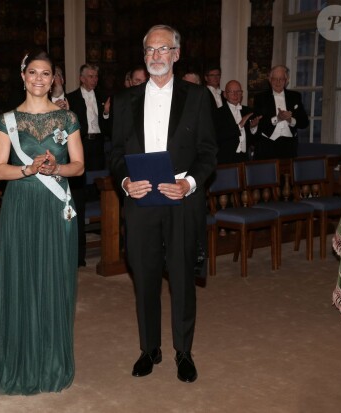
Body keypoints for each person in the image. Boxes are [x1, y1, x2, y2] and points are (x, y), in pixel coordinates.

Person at [0, 50, 84, 399]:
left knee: (53, 278)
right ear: (23, 76)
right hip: (21, 205)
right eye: (33, 72)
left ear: (54, 78)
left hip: (56, 207)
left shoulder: (67, 118)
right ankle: (17, 361)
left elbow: (79, 166)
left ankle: (50, 361)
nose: (39, 78)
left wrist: (57, 169)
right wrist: (28, 169)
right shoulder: (7, 119)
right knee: (21, 278)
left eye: (46, 73)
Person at [110, 24, 217, 383]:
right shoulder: (124, 100)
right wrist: (125, 181)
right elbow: (114, 154)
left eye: (163, 49)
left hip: (181, 201)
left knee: (183, 277)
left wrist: (187, 184)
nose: (156, 56)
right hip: (139, 201)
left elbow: (208, 154)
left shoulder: (199, 97)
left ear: (176, 54)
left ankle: (183, 351)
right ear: (144, 56)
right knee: (145, 277)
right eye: (150, 50)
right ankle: (149, 348)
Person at [66, 63, 110, 266]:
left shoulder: (103, 97)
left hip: (98, 145)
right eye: (91, 76)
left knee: (100, 190)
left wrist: (107, 113)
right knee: (80, 196)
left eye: (96, 76)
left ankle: (106, 243)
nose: (94, 79)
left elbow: (110, 127)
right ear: (82, 78)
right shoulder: (72, 98)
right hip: (80, 145)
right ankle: (79, 254)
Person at [253, 65, 309, 159]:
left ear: (286, 80)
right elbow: (259, 124)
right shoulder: (260, 98)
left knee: (288, 173)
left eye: (281, 79)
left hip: (289, 147)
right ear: (270, 80)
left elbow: (304, 122)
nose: (278, 82)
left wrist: (290, 120)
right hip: (267, 146)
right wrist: (278, 118)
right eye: (275, 79)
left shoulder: (295, 96)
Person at [213, 80, 261, 164]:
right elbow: (219, 136)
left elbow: (255, 139)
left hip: (245, 157)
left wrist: (253, 128)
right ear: (225, 95)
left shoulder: (248, 111)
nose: (235, 94)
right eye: (231, 92)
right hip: (226, 158)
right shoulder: (217, 113)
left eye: (238, 91)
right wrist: (239, 125)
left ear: (242, 94)